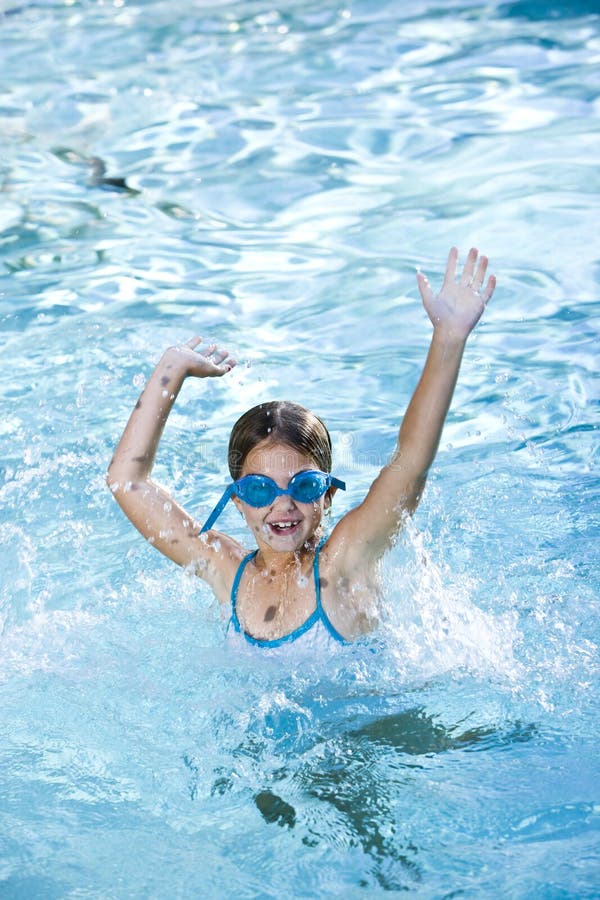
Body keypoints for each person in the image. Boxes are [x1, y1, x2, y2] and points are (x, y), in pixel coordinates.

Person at [107, 246, 496, 649]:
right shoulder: (226, 571)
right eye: (260, 489)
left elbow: (411, 462)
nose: (284, 503)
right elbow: (126, 482)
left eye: (304, 485)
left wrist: (448, 339)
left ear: (328, 494)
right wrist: (172, 367)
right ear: (237, 500)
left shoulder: (344, 562)